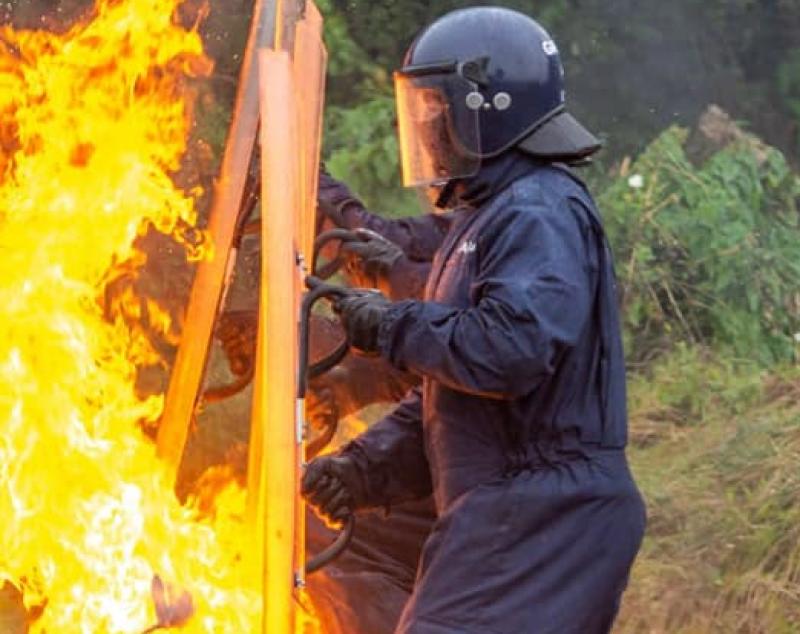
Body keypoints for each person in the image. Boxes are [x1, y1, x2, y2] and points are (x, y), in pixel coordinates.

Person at [301, 7, 647, 634]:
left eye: (439, 111)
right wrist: (363, 470)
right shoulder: (487, 218)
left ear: (489, 109)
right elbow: (452, 394)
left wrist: (393, 325)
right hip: (510, 505)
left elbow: (511, 348)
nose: (428, 130)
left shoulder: (538, 207)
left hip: (545, 512)